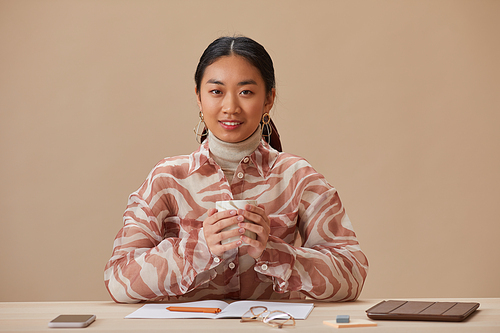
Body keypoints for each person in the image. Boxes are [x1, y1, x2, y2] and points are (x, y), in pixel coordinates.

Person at [104, 36, 368, 303]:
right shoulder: (167, 178)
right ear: (199, 97)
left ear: (268, 100)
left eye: (246, 92)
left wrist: (273, 251)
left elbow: (352, 274)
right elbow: (118, 280)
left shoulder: (296, 176)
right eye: (216, 92)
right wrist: (198, 247)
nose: (230, 108)